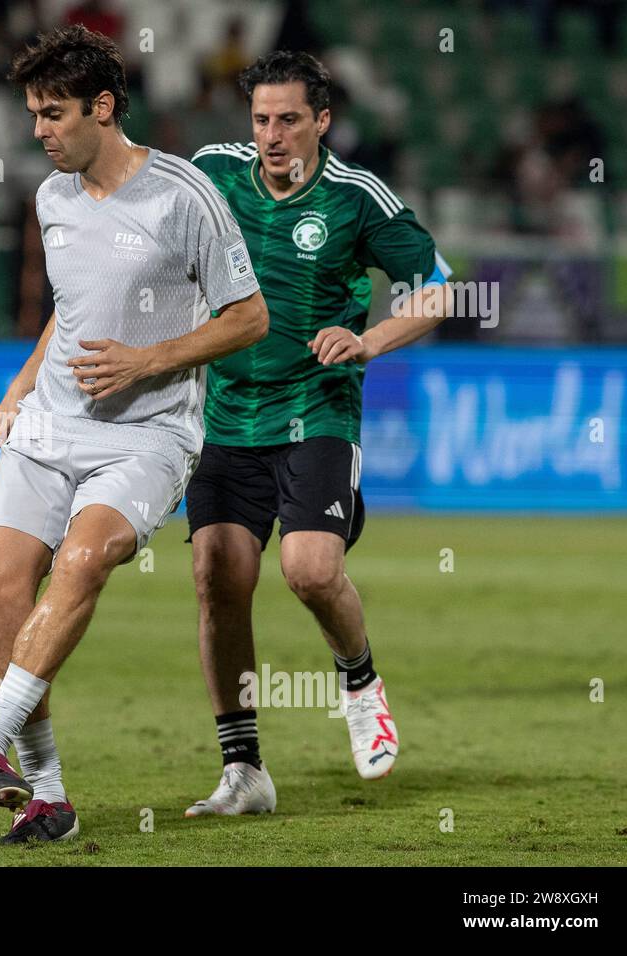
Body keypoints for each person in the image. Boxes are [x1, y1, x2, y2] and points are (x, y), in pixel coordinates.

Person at [0, 25, 268, 843]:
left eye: (53, 113)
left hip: (149, 436)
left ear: (104, 108)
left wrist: (148, 362)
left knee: (86, 557)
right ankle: (49, 798)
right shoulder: (50, 196)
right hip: (50, 424)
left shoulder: (184, 194)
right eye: (32, 113)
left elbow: (249, 317)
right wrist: (23, 384)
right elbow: (69, 306)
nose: (39, 132)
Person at [183, 51, 452, 816]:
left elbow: (439, 290)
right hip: (227, 411)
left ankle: (361, 683)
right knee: (217, 579)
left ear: (322, 121)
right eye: (262, 118)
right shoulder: (212, 172)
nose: (272, 134)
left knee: (307, 570)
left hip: (317, 408)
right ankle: (244, 772)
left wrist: (369, 340)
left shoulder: (356, 196)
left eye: (289, 119)